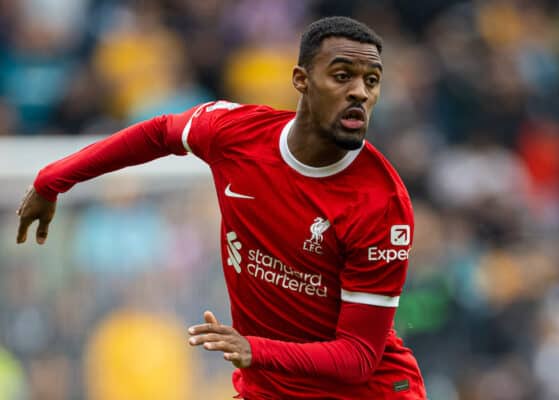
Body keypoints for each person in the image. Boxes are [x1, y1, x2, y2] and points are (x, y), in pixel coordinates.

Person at [16, 16, 427, 399]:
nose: (360, 91)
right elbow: (159, 133)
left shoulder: (381, 204)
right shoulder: (235, 134)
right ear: (301, 80)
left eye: (371, 80)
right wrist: (52, 180)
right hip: (270, 388)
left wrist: (255, 349)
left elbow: (356, 359)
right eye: (342, 76)